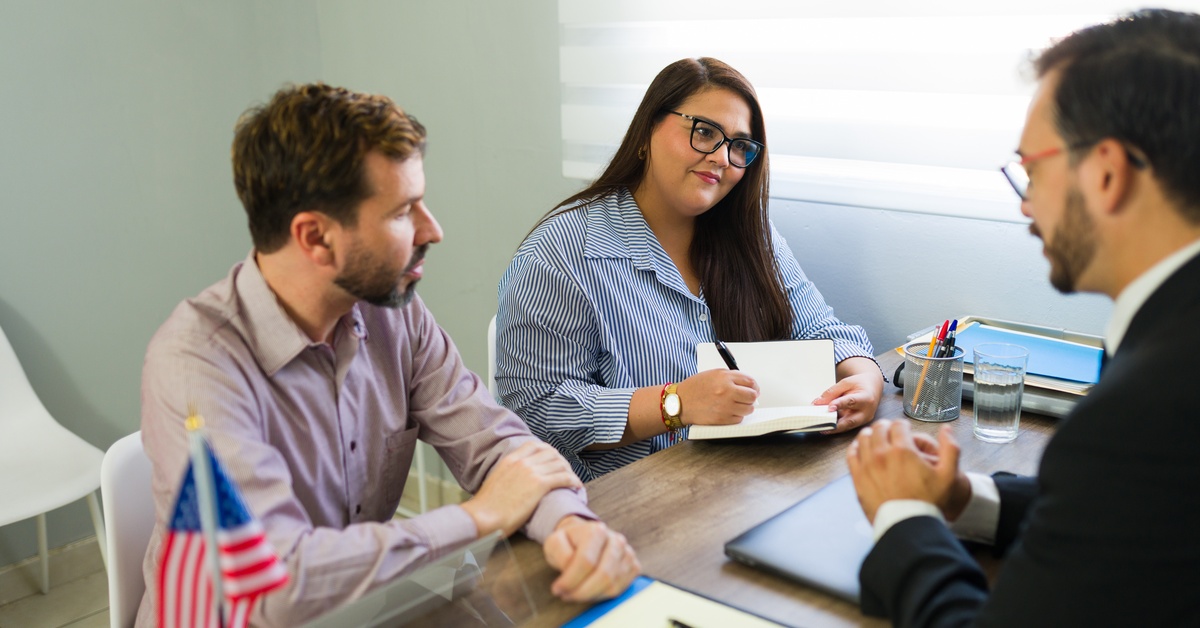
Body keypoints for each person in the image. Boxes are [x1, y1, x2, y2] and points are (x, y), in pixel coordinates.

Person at [137, 83, 639, 626]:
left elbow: (499, 446)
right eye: (403, 212)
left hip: (361, 610)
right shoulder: (196, 364)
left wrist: (570, 526)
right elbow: (276, 585)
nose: (433, 230)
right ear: (316, 238)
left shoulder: (392, 312)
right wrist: (481, 515)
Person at [846, 9, 1200, 626]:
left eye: (1031, 171)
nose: (1026, 205)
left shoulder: (1146, 408)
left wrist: (904, 515)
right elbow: (1132, 508)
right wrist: (966, 500)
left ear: (1107, 173)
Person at [495, 57, 882, 481]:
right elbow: (539, 413)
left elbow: (819, 329)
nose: (721, 158)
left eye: (739, 146)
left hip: (749, 484)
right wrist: (674, 403)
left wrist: (865, 379)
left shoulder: (750, 234)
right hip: (629, 510)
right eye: (704, 132)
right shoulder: (559, 255)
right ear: (647, 131)